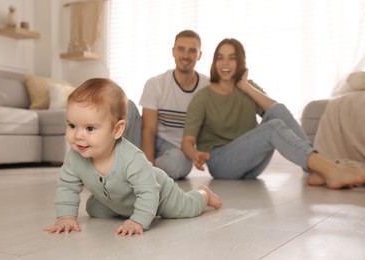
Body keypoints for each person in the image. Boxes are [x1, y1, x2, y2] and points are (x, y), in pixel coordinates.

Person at [44, 78, 222, 236]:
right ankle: (117, 205)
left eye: (89, 128)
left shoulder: (131, 158)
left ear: (117, 130)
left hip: (158, 192)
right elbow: (67, 186)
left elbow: (148, 192)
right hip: (117, 200)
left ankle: (203, 194)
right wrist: (66, 217)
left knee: (186, 209)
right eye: (72, 125)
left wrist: (138, 220)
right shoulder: (74, 157)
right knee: (93, 209)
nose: (78, 136)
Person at [181, 38, 365, 189]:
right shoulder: (203, 97)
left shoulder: (249, 87)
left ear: (240, 62)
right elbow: (187, 142)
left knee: (276, 112)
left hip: (252, 167)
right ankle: (329, 170)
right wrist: (195, 154)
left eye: (232, 58)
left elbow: (276, 110)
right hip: (222, 164)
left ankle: (317, 170)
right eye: (220, 58)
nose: (225, 63)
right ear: (214, 63)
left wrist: (245, 86)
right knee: (273, 128)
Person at [139, 30, 210, 180]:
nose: (185, 55)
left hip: (179, 150)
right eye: (181, 49)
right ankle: (126, 167)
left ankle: (135, 171)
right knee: (127, 107)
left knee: (180, 164)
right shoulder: (156, 84)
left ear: (200, 55)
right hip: (149, 141)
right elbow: (149, 130)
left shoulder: (207, 87)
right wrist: (148, 162)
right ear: (173, 51)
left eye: (192, 51)